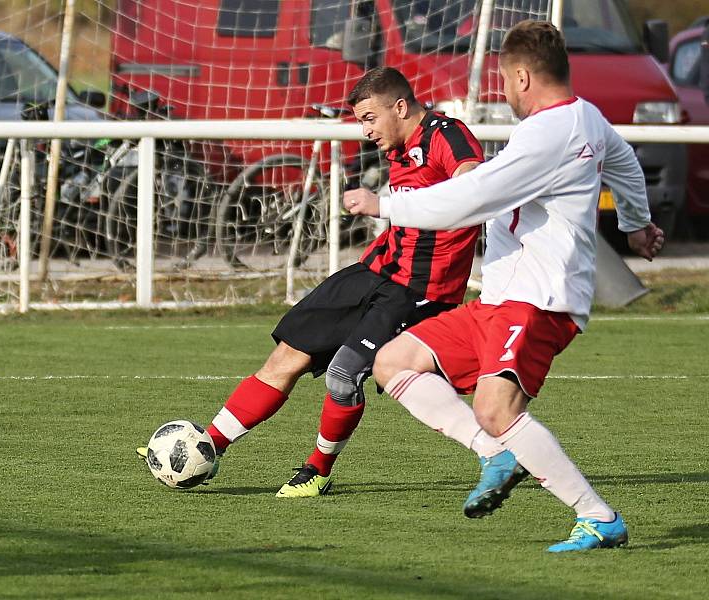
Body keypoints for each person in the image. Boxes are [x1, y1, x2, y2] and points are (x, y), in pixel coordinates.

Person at [141, 67, 528, 512]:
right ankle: (205, 447)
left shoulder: (446, 133)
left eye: (369, 118)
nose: (366, 132)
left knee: (344, 375)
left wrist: (383, 204)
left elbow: (473, 182)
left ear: (400, 107)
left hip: (420, 289)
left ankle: (317, 472)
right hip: (375, 269)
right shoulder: (400, 144)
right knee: (286, 354)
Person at [344, 21, 664, 552]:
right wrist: (634, 221)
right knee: (395, 362)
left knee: (497, 409)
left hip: (539, 299)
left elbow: (469, 197)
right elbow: (624, 158)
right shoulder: (585, 116)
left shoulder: (546, 134)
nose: (504, 91)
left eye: (503, 80)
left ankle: (597, 516)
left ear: (521, 76)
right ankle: (495, 453)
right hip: (501, 297)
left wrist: (386, 204)